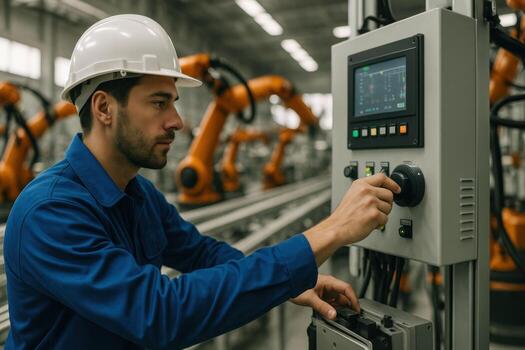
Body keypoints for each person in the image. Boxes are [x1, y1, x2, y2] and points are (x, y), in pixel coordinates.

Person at [3, 14, 400, 350]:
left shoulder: (138, 193)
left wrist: (293, 282)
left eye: (174, 103)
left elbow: (202, 254)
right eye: (160, 103)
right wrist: (326, 233)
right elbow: (160, 314)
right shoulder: (50, 212)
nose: (176, 121)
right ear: (105, 107)